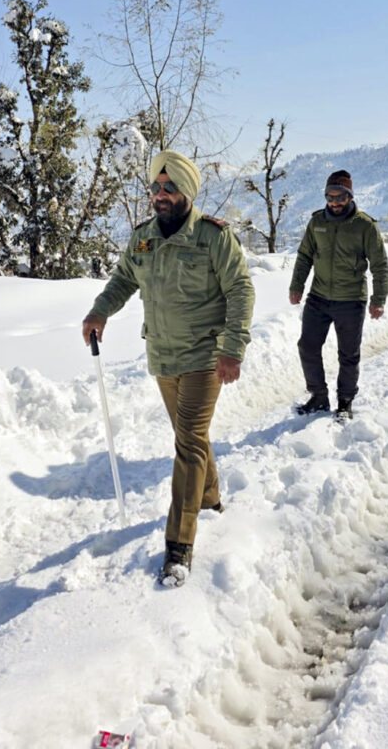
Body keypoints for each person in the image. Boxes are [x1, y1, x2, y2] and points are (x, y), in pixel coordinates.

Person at [82, 150, 254, 587]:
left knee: (190, 441)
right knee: (189, 436)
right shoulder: (143, 239)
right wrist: (99, 312)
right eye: (155, 188)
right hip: (162, 357)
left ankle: (179, 547)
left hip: (204, 356)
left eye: (169, 188)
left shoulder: (213, 238)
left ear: (186, 192)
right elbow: (124, 279)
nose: (160, 195)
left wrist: (232, 348)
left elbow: (240, 289)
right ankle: (211, 499)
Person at [289, 169, 388, 420]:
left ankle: (345, 402)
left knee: (348, 354)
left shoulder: (364, 225)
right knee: (307, 346)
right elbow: (304, 256)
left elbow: (380, 265)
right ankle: (319, 397)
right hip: (319, 297)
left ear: (350, 197)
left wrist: (378, 300)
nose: (334, 202)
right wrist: (296, 286)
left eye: (340, 197)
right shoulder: (317, 222)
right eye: (330, 197)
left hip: (351, 300)